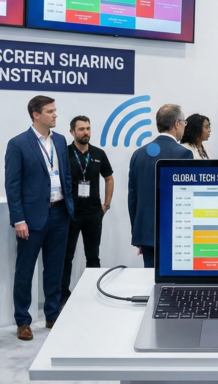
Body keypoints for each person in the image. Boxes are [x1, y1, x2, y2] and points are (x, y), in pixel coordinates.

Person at [5, 96, 73, 340]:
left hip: (59, 213)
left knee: (55, 269)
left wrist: (69, 205)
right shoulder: (18, 144)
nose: (55, 115)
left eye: (55, 110)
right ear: (36, 115)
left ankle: (52, 315)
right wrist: (18, 219)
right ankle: (23, 321)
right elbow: (12, 185)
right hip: (31, 218)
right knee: (25, 271)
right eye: (50, 111)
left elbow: (66, 176)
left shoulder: (60, 140)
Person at [128, 105, 194, 268]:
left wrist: (140, 235)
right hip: (174, 235)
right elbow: (186, 199)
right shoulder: (183, 154)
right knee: (173, 281)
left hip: (146, 234)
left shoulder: (138, 154)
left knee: (150, 280)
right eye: (184, 123)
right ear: (177, 124)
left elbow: (133, 198)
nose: (184, 127)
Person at [62, 116, 114, 303]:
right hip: (70, 214)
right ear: (72, 132)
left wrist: (106, 205)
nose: (86, 132)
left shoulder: (98, 153)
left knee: (93, 257)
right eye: (81, 129)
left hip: (93, 214)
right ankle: (63, 296)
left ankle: (94, 294)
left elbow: (109, 178)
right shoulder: (64, 153)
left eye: (88, 128)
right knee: (66, 257)